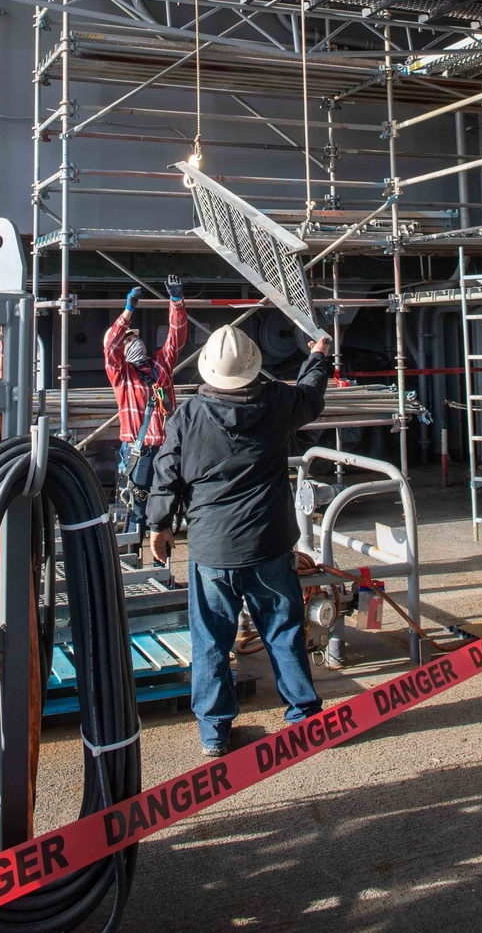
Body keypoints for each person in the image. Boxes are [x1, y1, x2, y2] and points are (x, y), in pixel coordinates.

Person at [147, 323, 333, 757]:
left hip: (212, 549)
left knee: (211, 637)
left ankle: (214, 731)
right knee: (283, 629)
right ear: (253, 367)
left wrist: (159, 525)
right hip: (268, 543)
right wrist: (319, 357)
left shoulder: (189, 416)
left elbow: (165, 474)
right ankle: (303, 714)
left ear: (210, 370)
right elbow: (311, 396)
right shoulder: (276, 404)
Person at [103, 276, 187, 542]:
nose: (134, 342)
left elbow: (176, 337)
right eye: (129, 340)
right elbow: (111, 347)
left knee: (168, 510)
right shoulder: (121, 375)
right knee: (136, 508)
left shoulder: (160, 366)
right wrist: (128, 312)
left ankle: (163, 561)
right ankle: (132, 560)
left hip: (167, 447)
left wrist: (176, 302)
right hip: (140, 452)